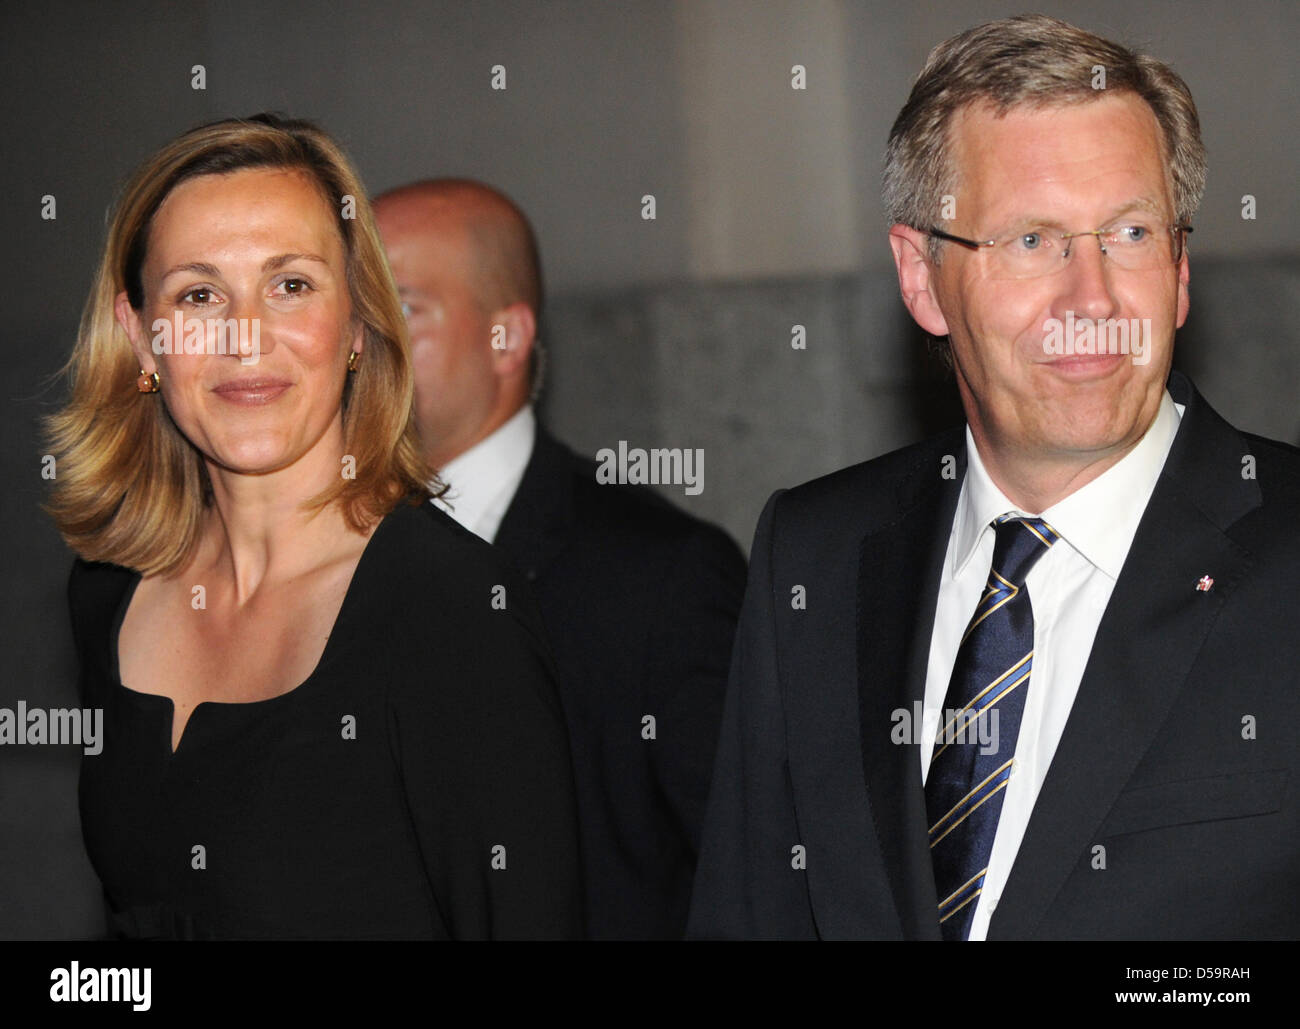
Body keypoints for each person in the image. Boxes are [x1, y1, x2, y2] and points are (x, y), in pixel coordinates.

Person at [688, 14, 1299, 940]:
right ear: (922, 278)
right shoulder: (816, 555)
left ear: (1179, 267)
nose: (1091, 299)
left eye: (1129, 231)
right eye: (1030, 240)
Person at [45, 114, 582, 939]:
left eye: (290, 284)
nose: (245, 333)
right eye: (198, 293)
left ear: (359, 327)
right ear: (142, 339)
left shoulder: (447, 607)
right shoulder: (110, 593)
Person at [373, 180, 747, 939]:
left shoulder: (661, 574)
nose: (361, 346)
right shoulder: (311, 551)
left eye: (402, 310)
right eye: (352, 314)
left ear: (506, 338)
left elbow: (748, 878)